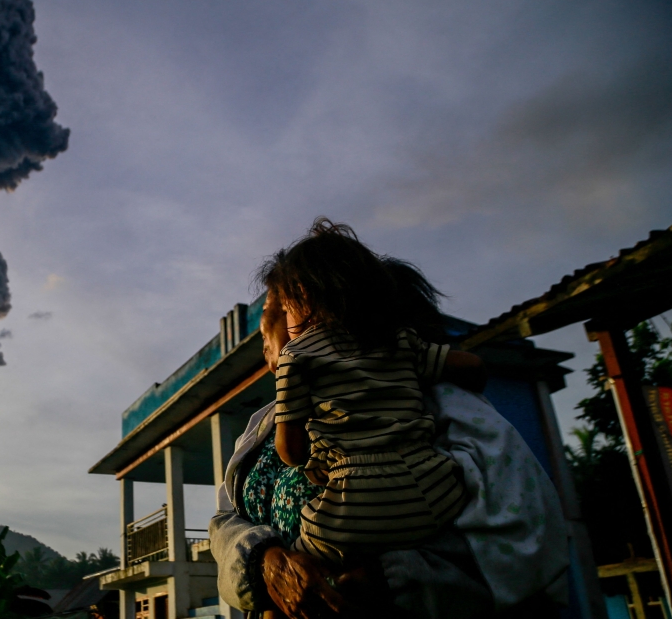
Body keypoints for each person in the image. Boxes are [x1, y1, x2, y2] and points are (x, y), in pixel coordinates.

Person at [209, 257, 569, 619]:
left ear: (315, 316)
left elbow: (526, 546)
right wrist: (262, 562)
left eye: (274, 306)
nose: (262, 326)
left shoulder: (433, 405)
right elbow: (226, 520)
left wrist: (396, 581)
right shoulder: (263, 424)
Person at [259, 219, 484, 564]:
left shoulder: (298, 356)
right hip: (434, 493)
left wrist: (312, 456)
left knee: (300, 564)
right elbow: (472, 366)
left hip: (354, 504)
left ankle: (355, 583)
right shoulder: (400, 341)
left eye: (285, 308)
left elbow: (289, 450)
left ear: (302, 298)